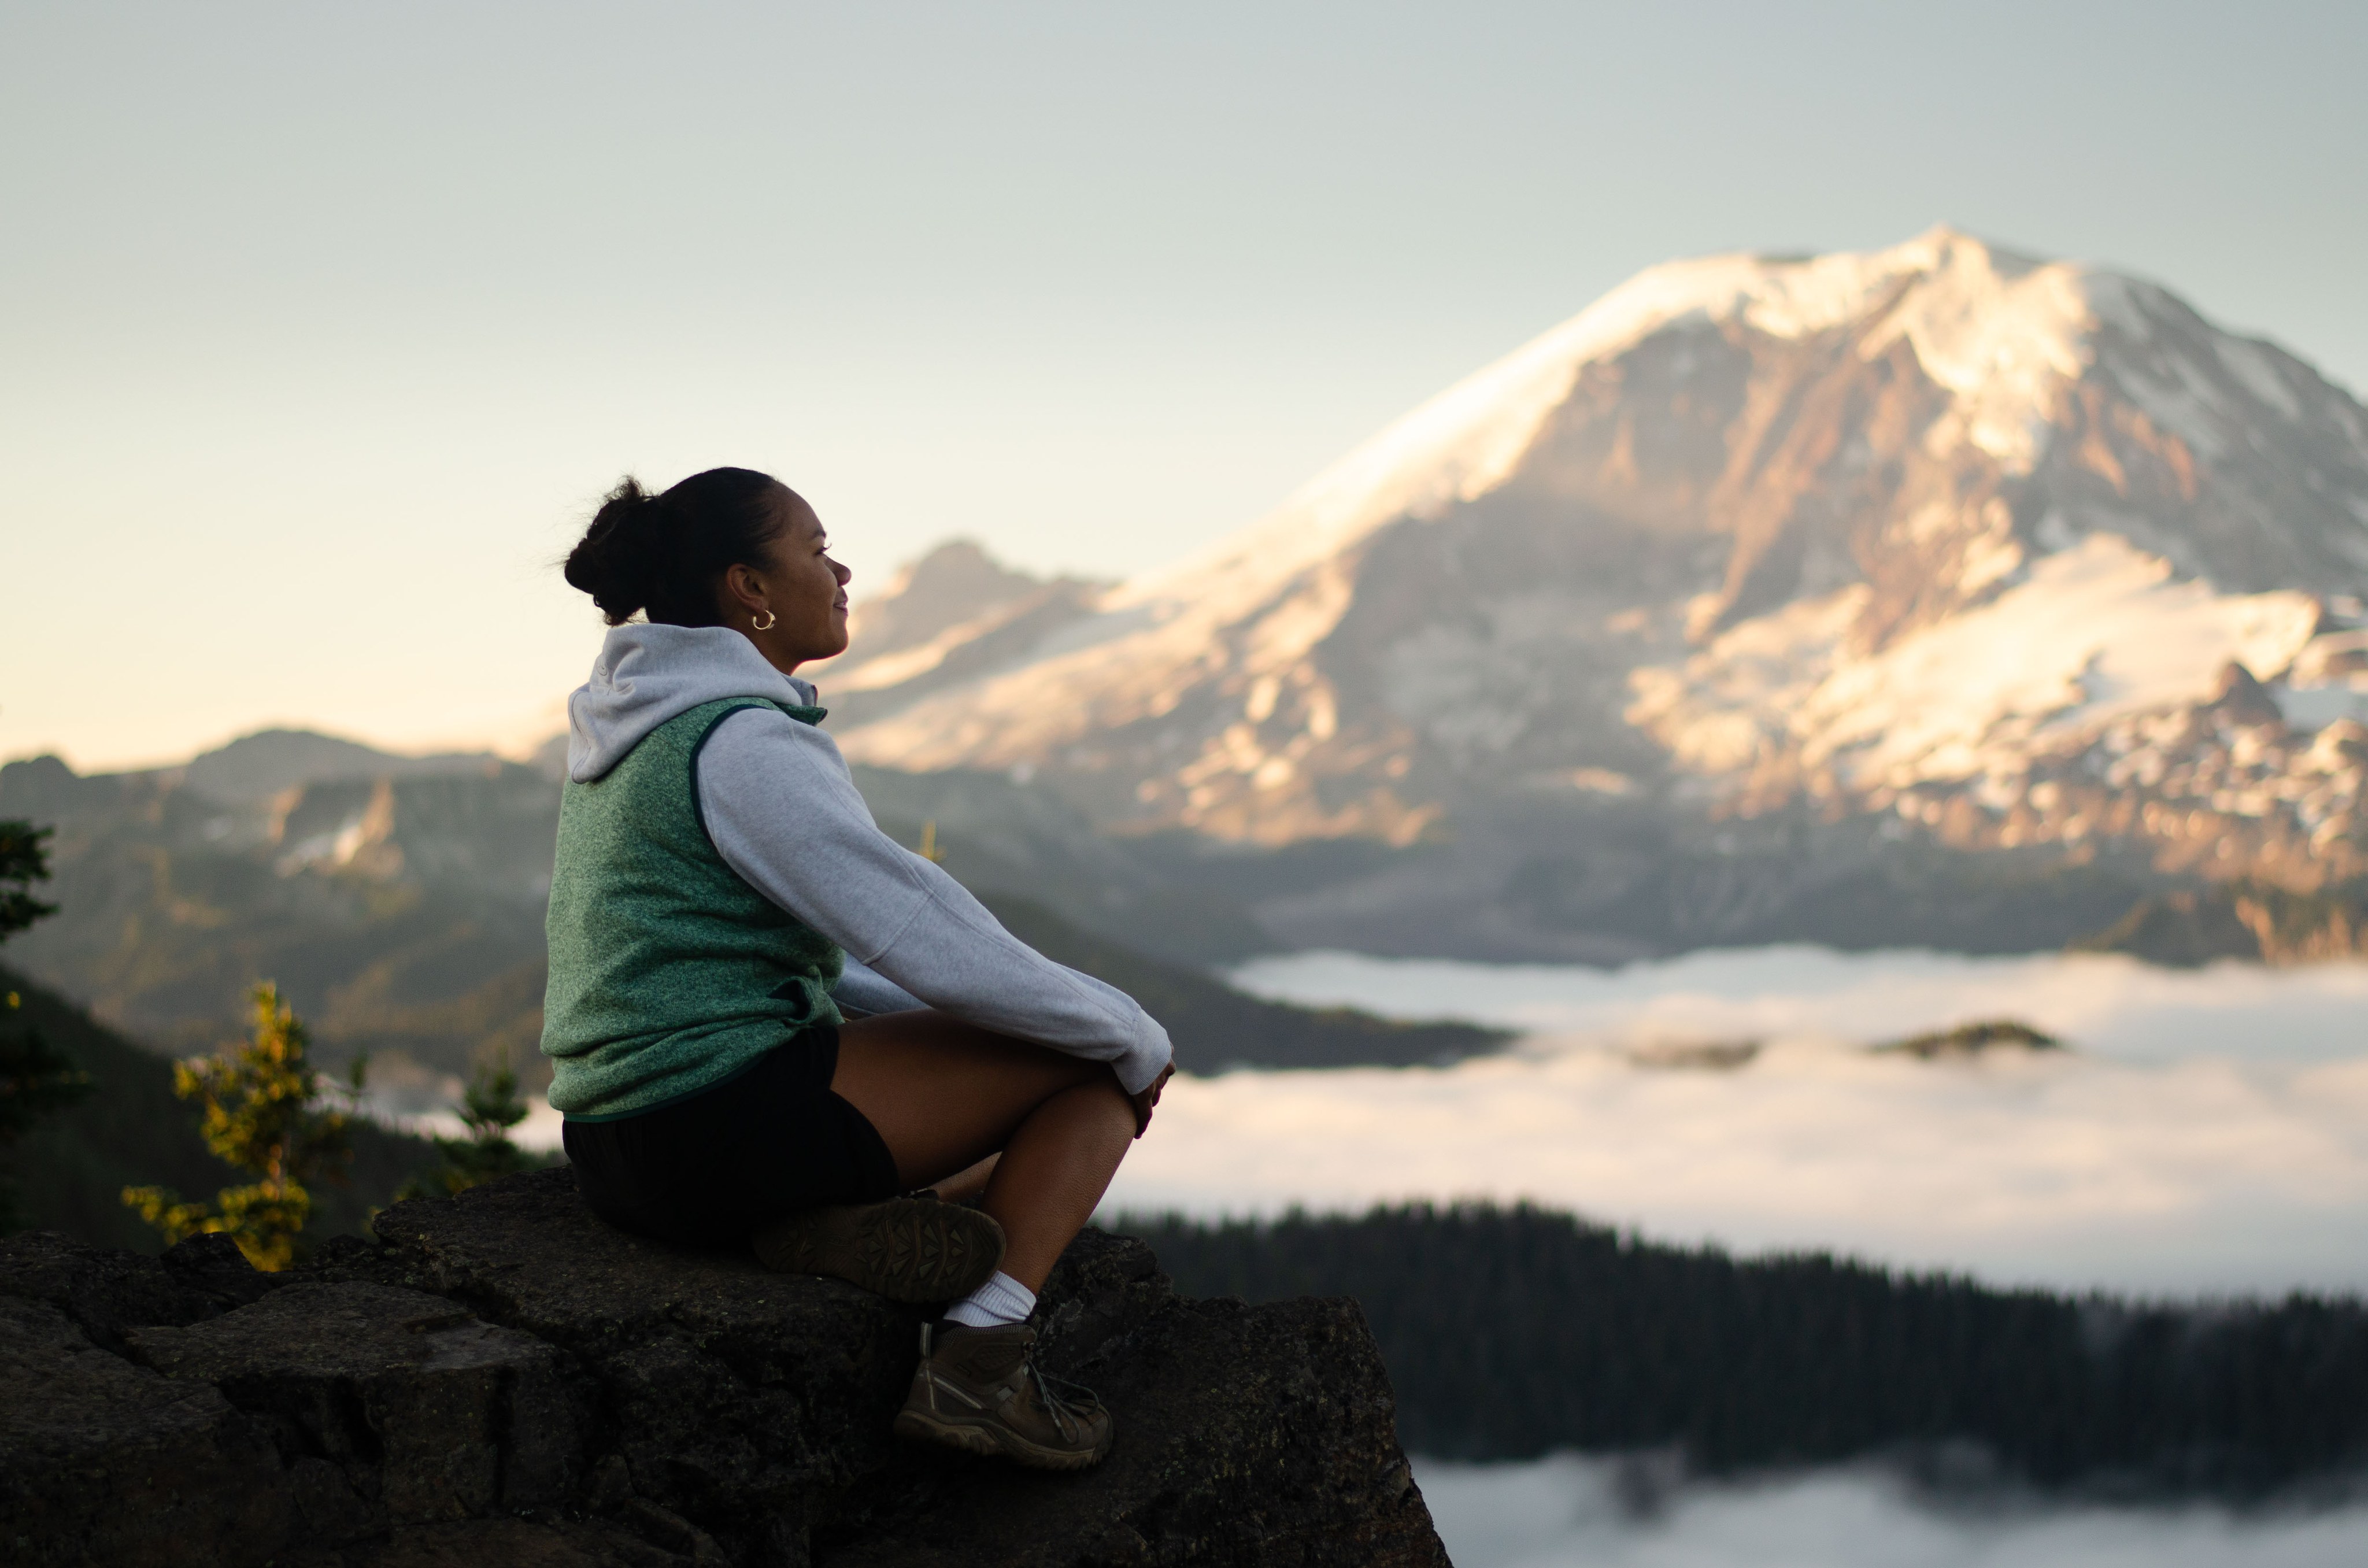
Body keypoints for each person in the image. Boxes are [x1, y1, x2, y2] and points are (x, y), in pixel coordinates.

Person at [543, 466, 1174, 1470]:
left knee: (1031, 1093)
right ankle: (980, 1368)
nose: (840, 570)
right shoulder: (743, 742)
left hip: (619, 1149)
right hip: (714, 1125)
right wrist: (1126, 1032)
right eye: (814, 548)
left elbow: (821, 958)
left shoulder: (643, 730)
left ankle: (815, 1224)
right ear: (749, 588)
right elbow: (912, 926)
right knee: (1093, 1078)